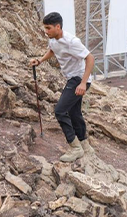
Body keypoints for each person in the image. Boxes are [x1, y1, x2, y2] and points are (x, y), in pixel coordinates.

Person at [30, 12, 95, 162]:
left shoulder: (72, 41)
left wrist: (83, 83)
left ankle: (75, 148)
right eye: (45, 28)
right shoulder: (53, 39)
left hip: (78, 79)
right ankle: (85, 145)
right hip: (71, 79)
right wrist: (40, 61)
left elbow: (90, 58)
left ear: (58, 27)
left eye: (48, 28)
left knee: (60, 111)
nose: (46, 31)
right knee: (74, 113)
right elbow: (53, 50)